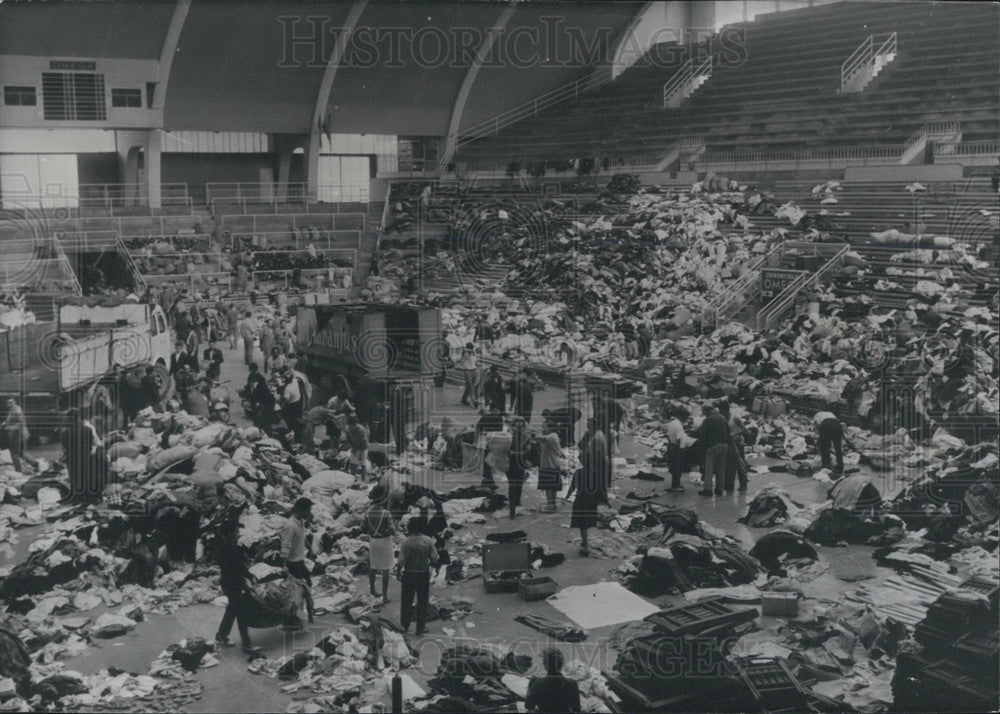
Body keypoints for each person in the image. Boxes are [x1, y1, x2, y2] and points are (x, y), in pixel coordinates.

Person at [214, 517, 261, 654]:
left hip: (229, 583)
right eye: (235, 531)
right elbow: (233, 570)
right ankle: (246, 644)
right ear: (229, 533)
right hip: (232, 583)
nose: (237, 534)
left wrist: (250, 576)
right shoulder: (228, 548)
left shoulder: (229, 546)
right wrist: (244, 583)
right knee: (241, 612)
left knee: (232, 608)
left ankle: (222, 634)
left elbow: (239, 567)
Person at [567, 418, 608, 556]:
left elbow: (572, 487)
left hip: (581, 500)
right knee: (587, 522)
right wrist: (603, 500)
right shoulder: (595, 473)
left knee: (582, 524)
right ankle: (585, 543)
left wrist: (566, 497)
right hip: (590, 500)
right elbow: (601, 487)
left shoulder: (579, 472)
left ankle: (585, 546)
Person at [397, 517, 438, 636]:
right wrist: (434, 567)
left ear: (412, 527)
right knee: (422, 602)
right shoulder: (428, 541)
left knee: (406, 601)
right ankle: (420, 628)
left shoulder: (406, 542)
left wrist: (399, 572)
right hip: (423, 574)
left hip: (409, 573)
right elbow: (434, 558)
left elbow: (401, 561)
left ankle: (404, 625)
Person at [62, 408, 110, 504]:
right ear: (79, 417)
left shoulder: (65, 433)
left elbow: (64, 451)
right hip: (86, 460)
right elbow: (94, 445)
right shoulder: (87, 429)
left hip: (72, 463)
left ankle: (77, 494)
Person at [280, 497, 315, 629]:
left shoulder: (299, 521)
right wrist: (283, 565)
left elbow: (302, 537)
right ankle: (292, 620)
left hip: (299, 561)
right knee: (297, 591)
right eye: (308, 509)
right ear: (302, 510)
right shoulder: (290, 525)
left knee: (302, 590)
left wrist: (309, 548)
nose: (310, 512)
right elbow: (285, 545)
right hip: (292, 563)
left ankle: (295, 618)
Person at [525, 648, 582, 714]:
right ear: (561, 664)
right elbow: (576, 709)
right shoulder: (572, 683)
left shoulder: (538, 683)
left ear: (545, 665)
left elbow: (528, 706)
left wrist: (530, 687)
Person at [364, 485, 394, 604]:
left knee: (373, 566)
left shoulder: (368, 512)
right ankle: (385, 596)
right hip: (385, 541)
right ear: (383, 499)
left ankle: (372, 590)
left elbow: (363, 527)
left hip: (373, 541)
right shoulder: (386, 513)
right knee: (386, 568)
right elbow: (392, 529)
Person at [698, 405, 730, 496]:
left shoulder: (708, 420)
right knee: (721, 468)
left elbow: (703, 435)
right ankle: (719, 489)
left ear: (707, 411)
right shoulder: (723, 418)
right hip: (724, 445)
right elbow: (728, 433)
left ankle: (708, 490)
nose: (704, 414)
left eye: (704, 412)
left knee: (709, 468)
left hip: (713, 446)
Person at [719, 401, 748, 493]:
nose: (720, 412)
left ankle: (743, 484)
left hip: (738, 443)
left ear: (725, 409)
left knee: (740, 463)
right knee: (729, 465)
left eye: (721, 410)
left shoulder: (735, 417)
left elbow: (744, 429)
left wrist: (735, 434)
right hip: (729, 444)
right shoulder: (722, 418)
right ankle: (729, 485)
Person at [664, 405, 693, 492]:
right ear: (681, 416)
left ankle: (676, 484)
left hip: (671, 445)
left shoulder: (671, 423)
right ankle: (675, 486)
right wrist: (684, 448)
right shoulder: (678, 426)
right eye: (685, 417)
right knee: (677, 467)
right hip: (676, 447)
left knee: (673, 465)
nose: (686, 419)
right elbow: (680, 439)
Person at [537, 422, 564, 512]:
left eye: (544, 427)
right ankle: (552, 504)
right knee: (550, 487)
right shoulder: (551, 436)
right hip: (548, 464)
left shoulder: (553, 436)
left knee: (550, 488)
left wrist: (533, 434)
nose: (543, 429)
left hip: (551, 465)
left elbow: (542, 438)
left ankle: (551, 505)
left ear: (550, 428)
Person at [506, 417, 530, 519]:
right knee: (515, 484)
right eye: (516, 426)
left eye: (520, 426)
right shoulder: (510, 436)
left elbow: (526, 451)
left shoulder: (526, 437)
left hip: (518, 463)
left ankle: (513, 508)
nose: (517, 428)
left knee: (514, 485)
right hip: (513, 463)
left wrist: (513, 453)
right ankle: (515, 504)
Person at [2, 398, 31, 473]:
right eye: (8, 403)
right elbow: (12, 420)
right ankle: (19, 471)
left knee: (18, 454)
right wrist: (5, 423)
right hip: (15, 435)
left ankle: (34, 465)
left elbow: (19, 424)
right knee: (17, 454)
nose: (9, 404)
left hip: (19, 435)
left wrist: (7, 427)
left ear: (15, 401)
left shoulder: (17, 410)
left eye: (11, 402)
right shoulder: (13, 409)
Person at [814, 410, 844, 474]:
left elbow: (818, 427)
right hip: (838, 425)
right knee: (838, 448)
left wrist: (819, 439)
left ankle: (825, 466)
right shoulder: (831, 414)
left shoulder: (816, 416)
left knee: (825, 447)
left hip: (827, 425)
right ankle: (840, 467)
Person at [281, 370, 305, 442]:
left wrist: (282, 407)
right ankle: (299, 437)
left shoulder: (288, 388)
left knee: (291, 423)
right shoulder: (294, 381)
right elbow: (292, 371)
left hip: (291, 407)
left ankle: (293, 437)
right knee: (298, 422)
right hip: (298, 404)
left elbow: (286, 400)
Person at [345, 413, 370, 478]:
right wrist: (353, 448)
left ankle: (363, 479)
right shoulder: (348, 429)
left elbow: (364, 443)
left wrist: (359, 454)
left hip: (363, 447)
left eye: (352, 426)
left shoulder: (361, 430)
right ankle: (352, 478)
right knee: (352, 463)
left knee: (362, 463)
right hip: (354, 446)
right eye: (350, 426)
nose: (351, 427)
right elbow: (348, 439)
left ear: (356, 424)